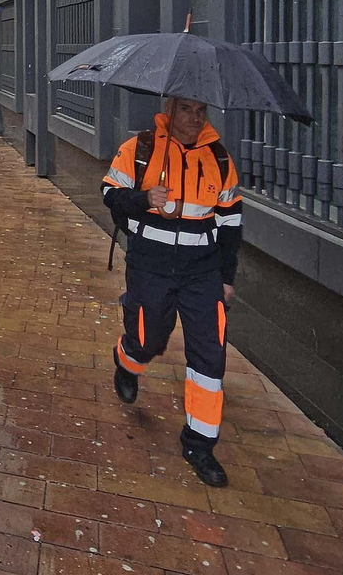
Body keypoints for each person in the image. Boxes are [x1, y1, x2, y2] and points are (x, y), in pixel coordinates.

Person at [100, 96, 242, 487]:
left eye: (202, 111)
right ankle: (127, 361)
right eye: (187, 110)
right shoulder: (139, 149)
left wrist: (227, 278)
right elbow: (110, 192)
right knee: (148, 338)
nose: (195, 119)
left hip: (203, 273)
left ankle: (199, 444)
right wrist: (144, 199)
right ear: (170, 109)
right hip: (151, 266)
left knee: (210, 357)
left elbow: (230, 223)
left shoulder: (220, 159)